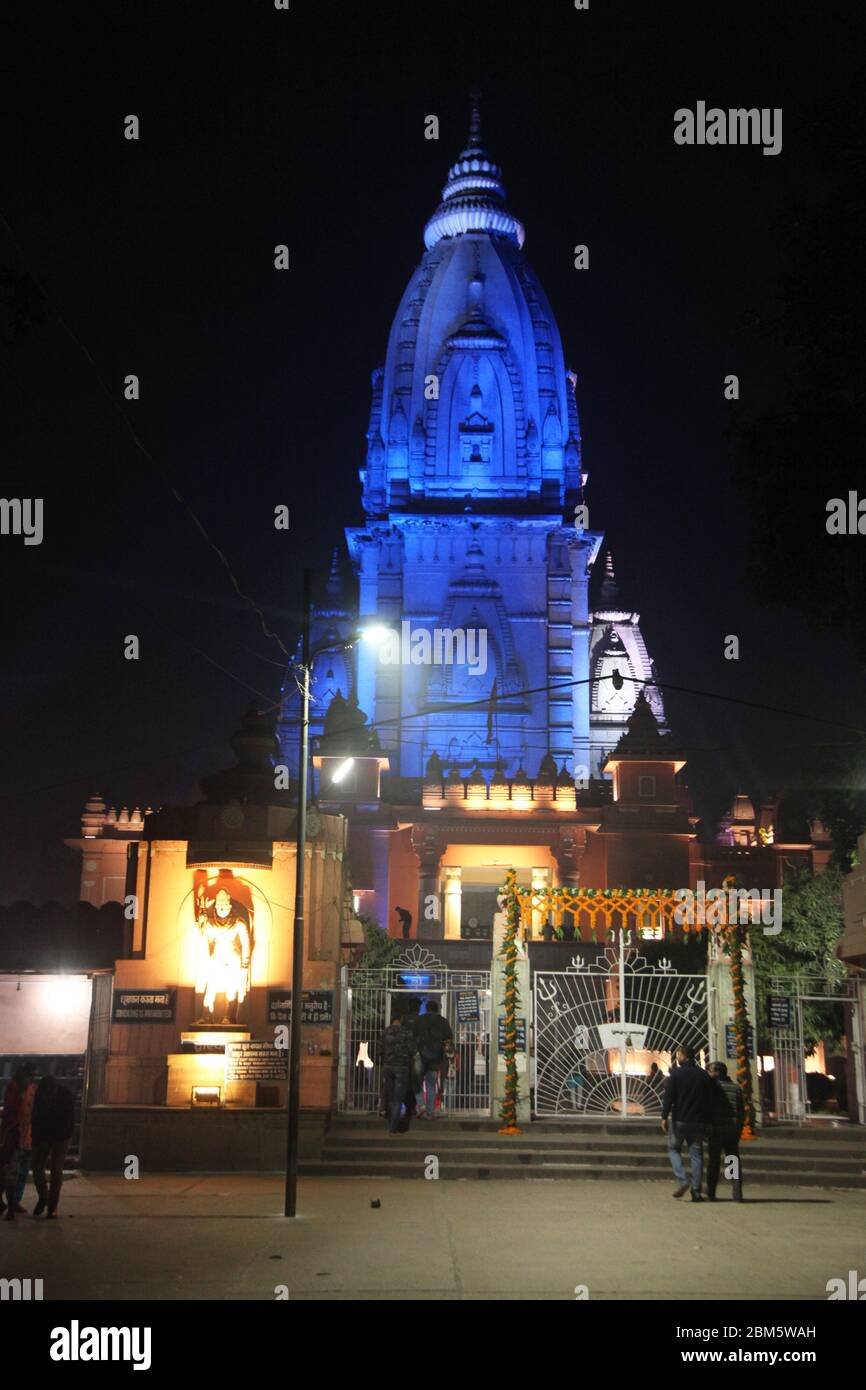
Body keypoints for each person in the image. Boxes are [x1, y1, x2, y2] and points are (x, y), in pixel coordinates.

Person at [661, 1045, 716, 1202]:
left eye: (678, 1054)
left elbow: (669, 1098)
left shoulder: (676, 1075)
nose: (677, 1056)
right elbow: (709, 1101)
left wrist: (664, 1116)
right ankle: (697, 1192)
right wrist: (709, 1121)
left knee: (673, 1149)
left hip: (679, 1120)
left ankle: (683, 1179)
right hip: (698, 1121)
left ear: (683, 1056)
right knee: (697, 1156)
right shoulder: (703, 1076)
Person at [30, 1074, 75, 1218]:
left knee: (55, 1169)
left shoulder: (65, 1096)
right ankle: (45, 1198)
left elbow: (67, 1122)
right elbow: (36, 1117)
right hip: (46, 1135)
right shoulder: (42, 1094)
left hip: (61, 1136)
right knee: (41, 1167)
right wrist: (37, 1140)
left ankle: (51, 1204)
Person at [0, 1064, 37, 1220]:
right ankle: (11, 1206)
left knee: (16, 1172)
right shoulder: (17, 1088)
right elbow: (12, 1110)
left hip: (23, 1136)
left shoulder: (26, 1088)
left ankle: (12, 1204)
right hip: (17, 1136)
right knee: (12, 1172)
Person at [707, 1061, 745, 1201]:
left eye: (710, 1070)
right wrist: (739, 1128)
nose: (709, 1073)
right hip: (732, 1129)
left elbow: (709, 1108)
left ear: (717, 1072)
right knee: (732, 1159)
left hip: (717, 1128)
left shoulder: (713, 1088)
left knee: (714, 1161)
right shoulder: (736, 1088)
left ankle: (711, 1192)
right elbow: (741, 1111)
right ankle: (736, 1192)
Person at [415, 1000, 454, 1119]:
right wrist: (446, 1054)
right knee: (431, 1084)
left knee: (417, 1082)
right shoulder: (443, 1021)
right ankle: (430, 1112)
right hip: (435, 1056)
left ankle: (421, 1106)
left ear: (427, 1008)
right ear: (437, 1009)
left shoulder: (420, 1020)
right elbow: (448, 1040)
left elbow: (413, 1036)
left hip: (421, 1055)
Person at [379, 1016, 417, 1135]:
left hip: (388, 1067)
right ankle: (393, 1128)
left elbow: (379, 1050)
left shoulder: (384, 1033)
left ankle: (392, 1122)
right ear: (400, 1021)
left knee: (390, 1097)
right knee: (398, 1098)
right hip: (402, 1067)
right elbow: (413, 1050)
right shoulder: (406, 1033)